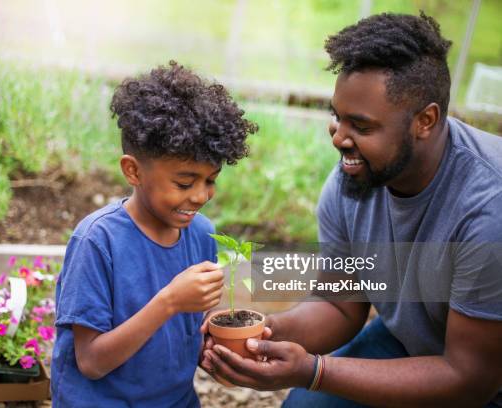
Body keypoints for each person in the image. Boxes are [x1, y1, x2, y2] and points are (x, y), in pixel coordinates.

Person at [201, 12, 502, 407]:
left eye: (360, 126)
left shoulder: (487, 209)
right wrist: (270, 331)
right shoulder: (354, 182)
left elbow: (469, 378)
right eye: (336, 117)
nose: (339, 138)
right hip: (419, 342)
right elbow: (340, 304)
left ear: (424, 120)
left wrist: (314, 370)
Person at [52, 61, 258, 407]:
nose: (200, 196)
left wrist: (218, 342)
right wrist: (170, 302)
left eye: (211, 180)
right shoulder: (97, 242)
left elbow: (187, 330)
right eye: (184, 182)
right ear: (133, 170)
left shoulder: (201, 234)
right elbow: (90, 362)